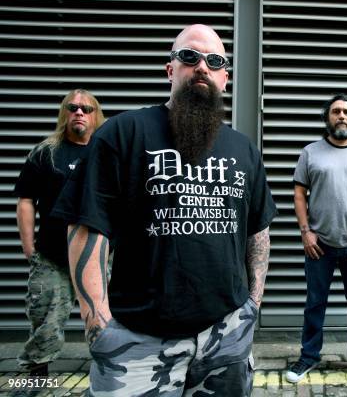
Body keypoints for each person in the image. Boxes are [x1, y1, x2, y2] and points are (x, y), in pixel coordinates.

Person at [53, 24, 276, 395]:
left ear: (225, 78)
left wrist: (251, 306)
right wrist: (99, 326)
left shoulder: (244, 149)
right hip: (138, 343)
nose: (202, 66)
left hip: (226, 338)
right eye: (189, 56)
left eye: (214, 60)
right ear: (171, 69)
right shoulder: (123, 133)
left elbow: (258, 230)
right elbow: (87, 226)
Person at [284, 94, 347, 391]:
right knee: (315, 304)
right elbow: (299, 194)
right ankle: (308, 356)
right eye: (336, 111)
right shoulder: (310, 153)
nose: (341, 116)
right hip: (320, 246)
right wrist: (306, 232)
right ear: (327, 117)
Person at [14, 89, 104, 376]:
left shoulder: (105, 152)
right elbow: (26, 200)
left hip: (97, 256)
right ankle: (35, 374)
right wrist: (30, 249)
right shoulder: (46, 152)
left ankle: (107, 369)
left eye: (86, 109)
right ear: (64, 113)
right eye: (73, 107)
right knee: (45, 318)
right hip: (52, 255)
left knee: (105, 317)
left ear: (95, 116)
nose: (79, 113)